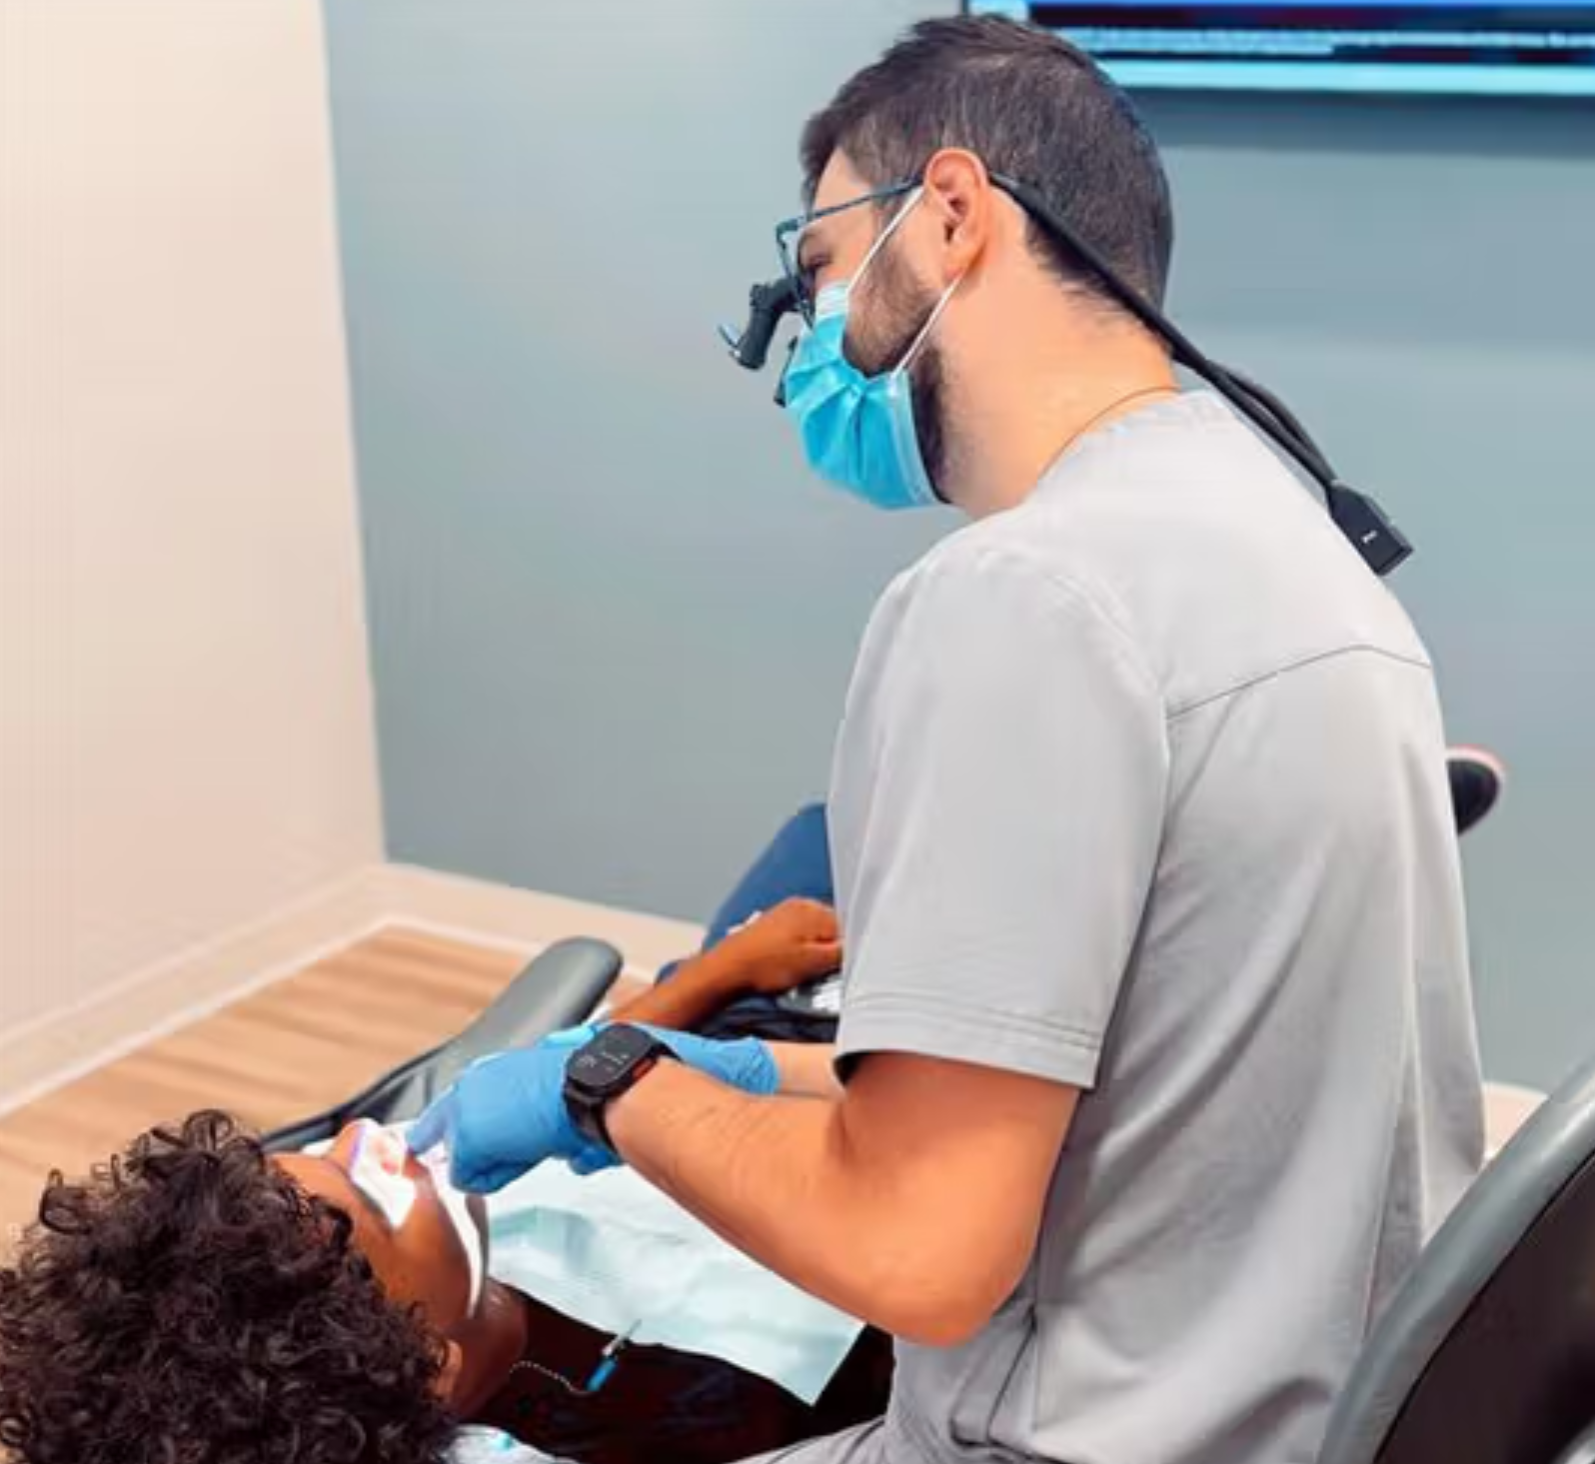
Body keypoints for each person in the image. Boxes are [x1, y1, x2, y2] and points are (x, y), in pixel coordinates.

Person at [413, 16, 1486, 1464]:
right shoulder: (1279, 533)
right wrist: (740, 1076)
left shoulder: (1023, 599)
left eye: (818, 268)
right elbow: (1108, 1088)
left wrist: (606, 1083)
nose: (806, 340)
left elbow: (917, 1247)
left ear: (954, 212)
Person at [0, 904, 885, 1464]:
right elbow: (920, 1182)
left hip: (747, 1020)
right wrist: (735, 1077)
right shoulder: (704, 1416)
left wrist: (718, 977)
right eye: (367, 1186)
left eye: (326, 1148)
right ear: (424, 1363)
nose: (371, 1137)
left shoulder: (430, 1235)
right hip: (874, 1091)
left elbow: (566, 1069)